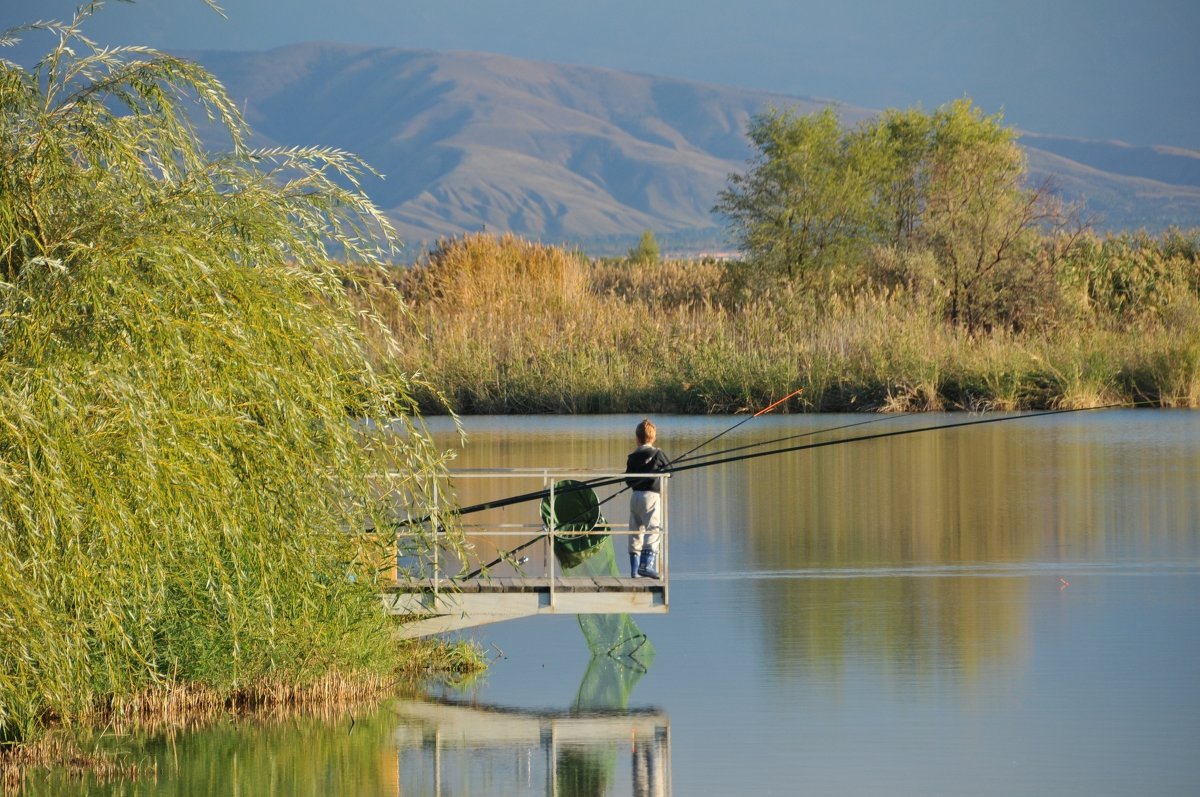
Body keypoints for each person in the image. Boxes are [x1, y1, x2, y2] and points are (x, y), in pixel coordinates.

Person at [625, 418, 671, 579]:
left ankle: (634, 569)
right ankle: (646, 564)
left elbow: (628, 480)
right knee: (653, 529)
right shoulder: (658, 454)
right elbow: (670, 471)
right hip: (651, 497)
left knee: (635, 530)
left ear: (637, 439)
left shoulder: (632, 457)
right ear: (654, 438)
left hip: (635, 497)